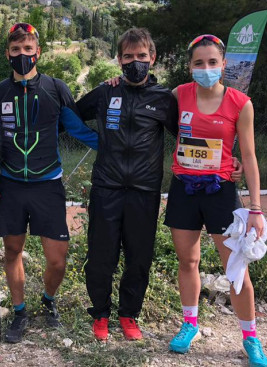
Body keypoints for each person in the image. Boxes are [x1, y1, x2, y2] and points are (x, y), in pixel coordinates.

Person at [0, 23, 99, 343]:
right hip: (12, 185)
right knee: (12, 251)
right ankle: (19, 312)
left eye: (28, 49)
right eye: (16, 50)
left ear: (38, 52)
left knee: (58, 259)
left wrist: (115, 146)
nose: (22, 55)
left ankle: (48, 300)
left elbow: (77, 129)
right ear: (8, 54)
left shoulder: (56, 88)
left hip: (48, 183)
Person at [164, 34, 267, 367]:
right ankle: (190, 324)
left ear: (223, 65)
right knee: (187, 262)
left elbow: (249, 157)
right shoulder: (178, 95)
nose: (206, 68)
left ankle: (251, 338)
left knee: (236, 269)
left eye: (212, 62)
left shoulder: (240, 103)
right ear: (190, 66)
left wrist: (255, 208)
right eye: (199, 63)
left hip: (221, 191)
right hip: (183, 188)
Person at [75, 28, 179, 341]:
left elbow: (186, 135)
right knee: (100, 256)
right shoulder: (106, 92)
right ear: (119, 59)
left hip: (144, 191)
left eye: (142, 56)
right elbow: (73, 114)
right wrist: (98, 142)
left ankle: (129, 315)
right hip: (106, 187)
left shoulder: (163, 99)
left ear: (153, 58)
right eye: (129, 56)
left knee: (139, 257)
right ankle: (101, 315)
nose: (136, 62)